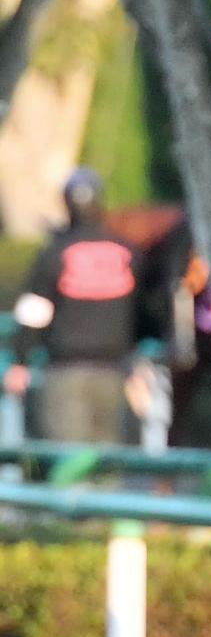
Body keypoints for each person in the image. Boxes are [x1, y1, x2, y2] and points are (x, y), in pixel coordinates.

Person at [4, 168, 151, 443]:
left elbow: (34, 311)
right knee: (110, 464)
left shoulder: (55, 253)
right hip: (117, 373)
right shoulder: (128, 253)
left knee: (67, 467)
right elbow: (144, 312)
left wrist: (20, 361)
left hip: (65, 374)